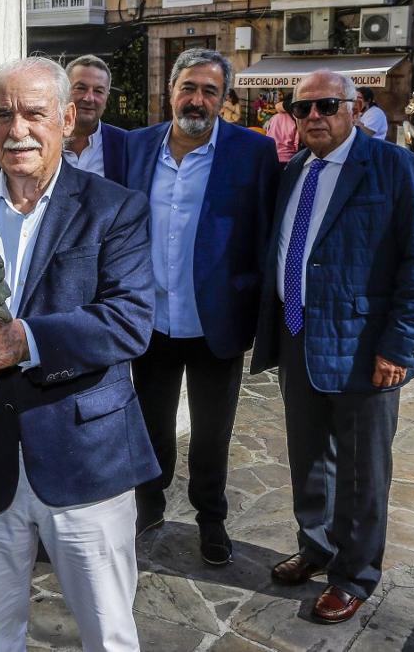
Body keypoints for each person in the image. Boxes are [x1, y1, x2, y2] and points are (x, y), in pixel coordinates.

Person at [0, 56, 159, 651]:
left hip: (84, 460)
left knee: (108, 633)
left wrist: (24, 340)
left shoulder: (115, 208)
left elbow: (129, 322)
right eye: (3, 114)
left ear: (67, 119)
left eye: (34, 113)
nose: (17, 129)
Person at [252, 69, 414, 624]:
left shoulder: (396, 168)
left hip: (366, 349)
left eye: (327, 106)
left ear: (355, 109)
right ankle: (316, 546)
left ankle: (354, 575)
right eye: (301, 107)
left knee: (362, 471)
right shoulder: (295, 172)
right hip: (299, 336)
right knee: (309, 458)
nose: (314, 116)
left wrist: (400, 348)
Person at [123, 49, 280, 564]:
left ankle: (211, 518)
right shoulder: (136, 147)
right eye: (188, 87)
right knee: (151, 424)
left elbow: (264, 231)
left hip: (217, 319)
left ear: (224, 99)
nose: (197, 99)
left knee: (213, 431)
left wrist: (254, 302)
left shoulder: (251, 152)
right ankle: (149, 504)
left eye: (210, 91)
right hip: (151, 321)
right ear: (170, 92)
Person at [62, 54, 127, 183]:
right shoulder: (46, 139)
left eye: (98, 91)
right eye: (81, 88)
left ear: (106, 98)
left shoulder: (125, 145)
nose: (89, 98)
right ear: (64, 91)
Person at [267, 96, 300, 163]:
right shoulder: (296, 120)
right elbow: (297, 144)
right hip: (288, 159)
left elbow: (268, 133)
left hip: (271, 156)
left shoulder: (274, 118)